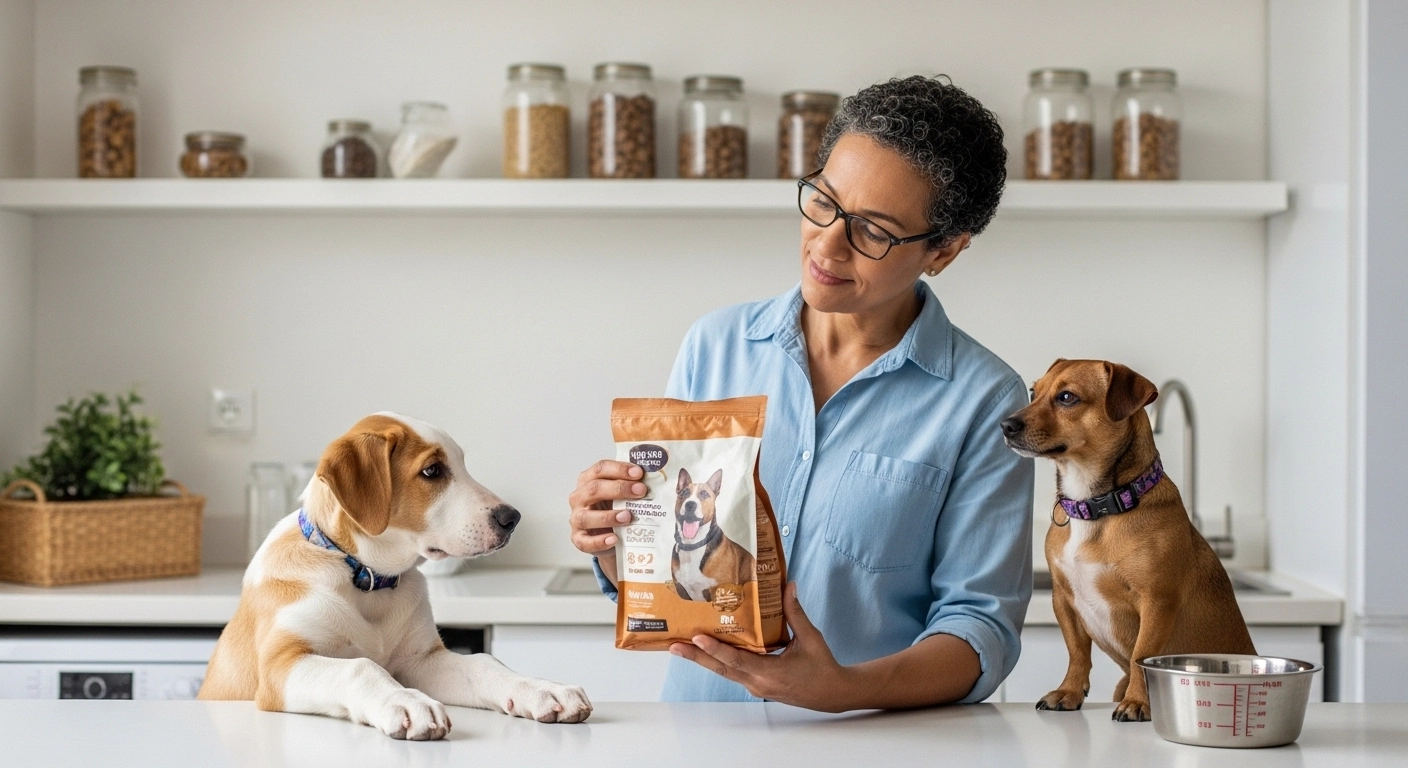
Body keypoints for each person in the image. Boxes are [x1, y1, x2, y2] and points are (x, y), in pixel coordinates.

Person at [567, 75, 1034, 711]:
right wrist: (613, 538)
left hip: (875, 747)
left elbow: (981, 627)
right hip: (702, 739)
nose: (827, 243)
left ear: (944, 251)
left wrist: (843, 691)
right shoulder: (716, 346)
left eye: (873, 231)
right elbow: (668, 573)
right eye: (823, 200)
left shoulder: (984, 400)